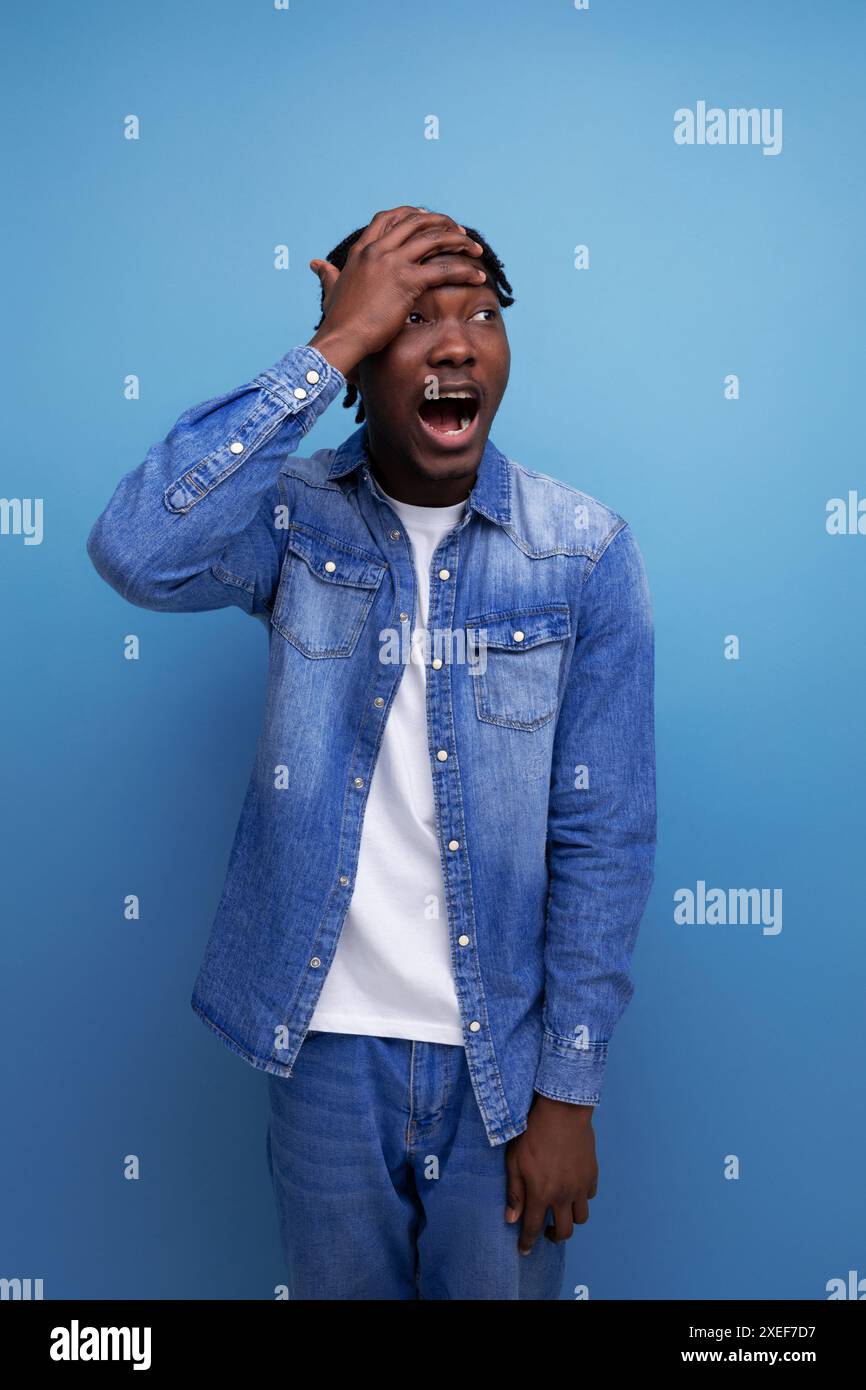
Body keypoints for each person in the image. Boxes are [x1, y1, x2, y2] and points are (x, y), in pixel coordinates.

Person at [86, 205, 657, 1301]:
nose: (454, 341)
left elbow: (604, 838)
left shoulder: (580, 552)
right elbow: (137, 550)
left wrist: (568, 1093)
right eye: (409, 315)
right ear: (359, 352)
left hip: (504, 1066)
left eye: (480, 314)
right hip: (321, 1052)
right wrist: (321, 352)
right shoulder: (295, 523)